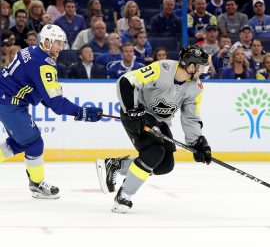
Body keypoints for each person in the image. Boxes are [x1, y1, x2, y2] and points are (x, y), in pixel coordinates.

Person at [96, 45, 212, 213]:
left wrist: (198, 143)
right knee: (154, 152)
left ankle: (117, 165)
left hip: (160, 121)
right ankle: (124, 195)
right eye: (201, 67)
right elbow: (126, 81)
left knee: (165, 165)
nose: (203, 71)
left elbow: (191, 117)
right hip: (138, 115)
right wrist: (131, 108)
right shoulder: (162, 68)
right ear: (191, 65)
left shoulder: (196, 87)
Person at [0, 24, 103, 199]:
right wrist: (82, 112)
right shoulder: (44, 64)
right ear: (46, 42)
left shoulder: (31, 50)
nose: (60, 47)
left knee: (22, 142)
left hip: (7, 98)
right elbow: (56, 104)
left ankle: (36, 183)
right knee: (34, 144)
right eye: (57, 43)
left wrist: (52, 101)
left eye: (62, 43)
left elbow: (40, 92)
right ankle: (37, 184)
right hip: (10, 103)